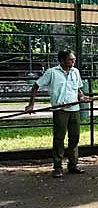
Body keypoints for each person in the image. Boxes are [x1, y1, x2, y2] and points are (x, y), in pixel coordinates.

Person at [25, 50, 91, 178]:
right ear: (62, 61)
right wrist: (31, 104)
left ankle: (73, 165)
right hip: (60, 110)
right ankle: (57, 166)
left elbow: (77, 89)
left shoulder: (75, 72)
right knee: (59, 138)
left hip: (74, 109)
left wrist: (82, 97)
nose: (73, 62)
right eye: (71, 60)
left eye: (74, 60)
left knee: (75, 137)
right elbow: (35, 86)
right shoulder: (52, 72)